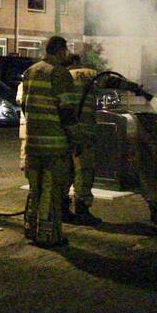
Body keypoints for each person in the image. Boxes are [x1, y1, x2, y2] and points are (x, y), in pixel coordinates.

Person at [20, 36, 76, 248]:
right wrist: (75, 138)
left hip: (33, 143)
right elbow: (66, 110)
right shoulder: (59, 73)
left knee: (35, 189)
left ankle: (30, 229)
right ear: (61, 51)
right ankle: (48, 236)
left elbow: (24, 106)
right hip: (54, 144)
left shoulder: (30, 72)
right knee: (52, 190)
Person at [60, 53, 103, 226]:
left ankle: (63, 209)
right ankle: (82, 209)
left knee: (66, 171)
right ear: (77, 61)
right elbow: (110, 81)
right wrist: (136, 88)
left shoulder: (61, 77)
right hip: (84, 132)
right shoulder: (89, 74)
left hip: (65, 132)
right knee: (84, 171)